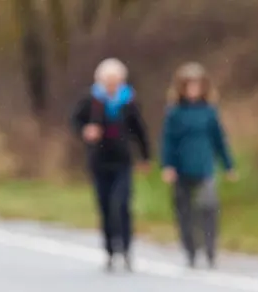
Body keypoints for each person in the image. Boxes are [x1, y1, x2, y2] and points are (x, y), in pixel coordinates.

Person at [70, 58, 151, 271]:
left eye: (116, 80)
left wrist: (145, 157)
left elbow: (139, 130)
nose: (112, 84)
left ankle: (126, 248)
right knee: (105, 206)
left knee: (122, 204)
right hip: (99, 160)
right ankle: (109, 250)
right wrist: (86, 131)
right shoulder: (91, 100)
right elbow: (75, 121)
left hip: (123, 160)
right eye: (108, 80)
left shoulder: (129, 101)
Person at [160, 62, 237, 269]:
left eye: (197, 85)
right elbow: (168, 141)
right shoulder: (175, 113)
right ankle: (191, 250)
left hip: (205, 167)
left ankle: (211, 249)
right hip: (182, 167)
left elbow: (219, 139)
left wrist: (228, 165)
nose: (193, 90)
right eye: (189, 86)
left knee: (208, 206)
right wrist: (168, 165)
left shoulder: (209, 112)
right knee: (184, 211)